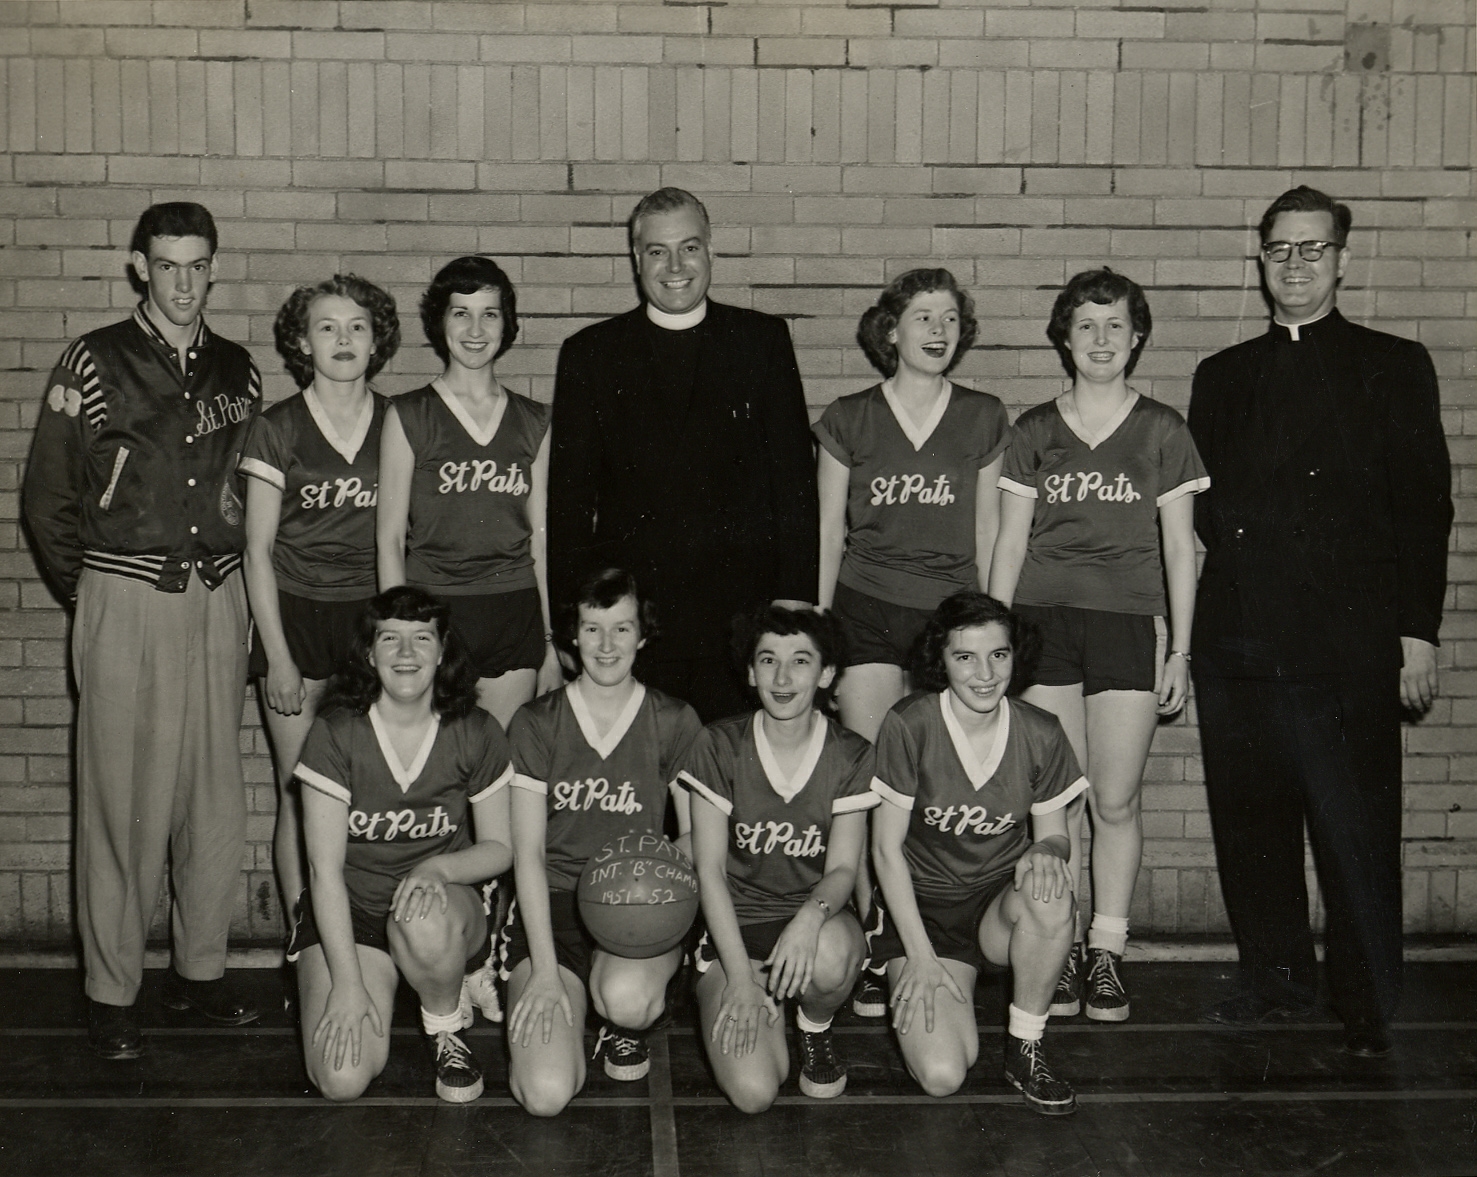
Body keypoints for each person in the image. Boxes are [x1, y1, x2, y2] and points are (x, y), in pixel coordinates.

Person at [1188, 186, 1453, 1058]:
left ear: (1342, 258)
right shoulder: (1220, 376)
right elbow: (1200, 519)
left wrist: (1416, 633)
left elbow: (1423, 509)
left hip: (1347, 650)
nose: (1294, 265)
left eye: (1312, 249)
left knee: (1354, 829)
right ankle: (1272, 985)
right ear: (1257, 261)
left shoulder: (1394, 363)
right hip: (1240, 647)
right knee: (1251, 827)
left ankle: (1366, 1002)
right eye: (1278, 250)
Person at [22, 202, 262, 1058]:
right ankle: (111, 991)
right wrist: (94, 590)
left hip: (218, 595)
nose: (184, 282)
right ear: (138, 267)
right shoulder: (94, 359)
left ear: (214, 267)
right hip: (126, 593)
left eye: (199, 265)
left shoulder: (238, 365)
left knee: (213, 800)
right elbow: (47, 501)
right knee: (123, 803)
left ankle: (199, 973)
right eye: (167, 265)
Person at [989, 268, 1207, 1023]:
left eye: (1115, 325)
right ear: (1064, 336)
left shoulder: (1162, 429)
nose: (1101, 339)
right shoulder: (1032, 431)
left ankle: (1107, 950)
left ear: (1137, 335)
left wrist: (1179, 649)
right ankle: (1064, 943)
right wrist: (996, 638)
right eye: (1085, 325)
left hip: (1125, 625)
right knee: (1055, 803)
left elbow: (1181, 548)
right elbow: (1009, 545)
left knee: (1113, 799)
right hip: (1043, 624)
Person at [815, 267, 1012, 1017]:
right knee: (872, 778)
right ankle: (876, 935)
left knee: (931, 784)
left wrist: (990, 623)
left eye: (950, 319)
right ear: (888, 329)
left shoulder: (985, 416)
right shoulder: (849, 416)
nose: (936, 330)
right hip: (865, 609)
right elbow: (829, 531)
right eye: (921, 316)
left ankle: (919, 927)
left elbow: (990, 530)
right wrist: (823, 627)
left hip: (948, 617)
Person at [548, 187, 818, 722]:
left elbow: (794, 483)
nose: (675, 266)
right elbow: (569, 503)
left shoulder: (762, 341)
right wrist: (570, 622)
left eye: (689, 248)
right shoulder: (591, 354)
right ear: (635, 259)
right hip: (637, 622)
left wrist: (794, 601)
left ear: (711, 252)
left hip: (740, 618)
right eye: (657, 251)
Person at [289, 587, 514, 1103]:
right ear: (369, 653)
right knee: (341, 1079)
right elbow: (323, 874)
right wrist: (346, 985)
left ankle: (445, 1027)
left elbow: (501, 847)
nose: (406, 654)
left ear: (442, 649)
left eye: (421, 639)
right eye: (390, 639)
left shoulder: (475, 729)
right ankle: (355, 981)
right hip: (354, 914)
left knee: (421, 917)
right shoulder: (336, 732)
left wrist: (436, 868)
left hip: (440, 910)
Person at [867, 592, 1087, 1115]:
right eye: (965, 656)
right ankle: (897, 971)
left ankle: (1026, 1047)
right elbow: (884, 849)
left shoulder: (1041, 731)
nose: (984, 673)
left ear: (1016, 656)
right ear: (940, 661)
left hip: (994, 909)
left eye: (999, 655)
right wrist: (918, 956)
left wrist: (1048, 852)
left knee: (1051, 889)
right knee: (944, 1075)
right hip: (922, 913)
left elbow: (1056, 835)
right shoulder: (910, 723)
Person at [499, 568, 703, 1116]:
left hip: (637, 906)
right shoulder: (537, 722)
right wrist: (542, 970)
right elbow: (529, 856)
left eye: (621, 628)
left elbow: (695, 838)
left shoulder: (674, 718)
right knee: (545, 1095)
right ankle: (567, 997)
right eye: (593, 628)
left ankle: (618, 1019)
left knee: (628, 1001)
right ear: (572, 635)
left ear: (642, 635)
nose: (606, 645)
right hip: (556, 906)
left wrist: (648, 874)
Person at [242, 274, 399, 932]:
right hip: (298, 621)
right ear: (301, 341)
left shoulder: (399, 423)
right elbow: (256, 551)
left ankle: (367, 934)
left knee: (373, 788)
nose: (343, 338)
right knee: (303, 791)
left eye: (357, 326)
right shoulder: (277, 428)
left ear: (377, 339)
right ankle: (305, 940)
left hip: (371, 620)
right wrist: (277, 656)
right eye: (327, 327)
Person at [680, 606, 878, 1111]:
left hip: (811, 924)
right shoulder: (719, 744)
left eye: (800, 661)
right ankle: (759, 998)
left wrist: (808, 920)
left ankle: (814, 1026)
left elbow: (841, 870)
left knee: (833, 957)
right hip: (736, 934)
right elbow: (708, 872)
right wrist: (742, 982)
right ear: (750, 672)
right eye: (768, 660)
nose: (783, 677)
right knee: (754, 1093)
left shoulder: (851, 753)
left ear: (827, 673)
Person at [377, 255, 561, 730]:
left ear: (508, 324)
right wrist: (399, 636)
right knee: (439, 777)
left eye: (490, 314)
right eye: (461, 313)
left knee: (498, 771)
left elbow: (539, 541)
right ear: (441, 323)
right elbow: (390, 541)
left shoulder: (535, 420)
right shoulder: (409, 415)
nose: (475, 329)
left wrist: (549, 642)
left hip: (512, 609)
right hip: (434, 612)